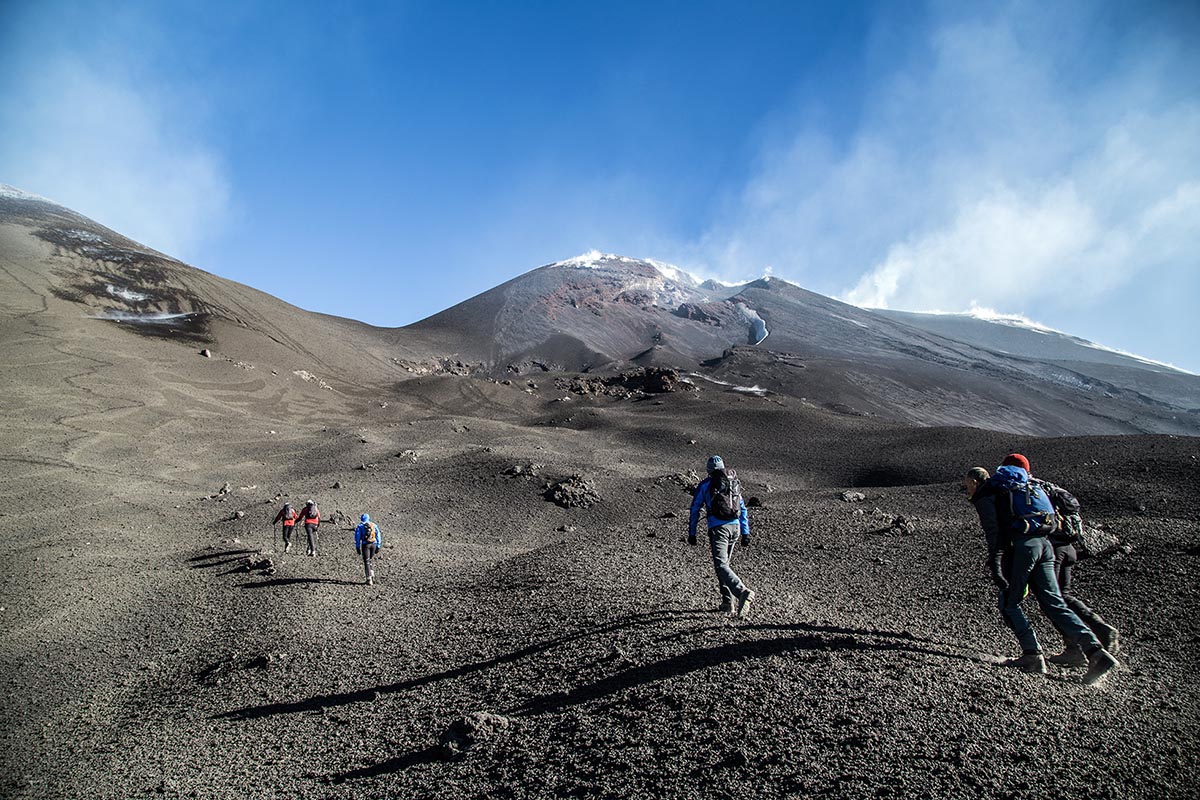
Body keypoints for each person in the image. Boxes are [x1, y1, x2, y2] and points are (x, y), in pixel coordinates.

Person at [964, 464, 1118, 686]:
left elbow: (994, 533)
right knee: (1055, 603)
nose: (966, 490)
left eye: (966, 485)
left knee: (1009, 602)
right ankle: (1096, 653)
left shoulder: (986, 496)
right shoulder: (1018, 489)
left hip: (1024, 548)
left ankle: (1032, 656)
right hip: (1046, 545)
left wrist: (996, 564)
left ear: (975, 482)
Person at [1000, 453, 1119, 666]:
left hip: (1049, 548)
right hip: (1068, 547)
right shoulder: (1046, 487)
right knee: (1063, 597)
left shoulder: (1022, 488)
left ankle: (1079, 647)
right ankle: (1095, 633)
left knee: (1051, 601)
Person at [688, 455, 756, 617]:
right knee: (724, 565)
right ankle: (727, 603)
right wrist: (745, 533)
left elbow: (695, 508)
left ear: (709, 470)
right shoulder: (734, 484)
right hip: (735, 527)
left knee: (721, 565)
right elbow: (743, 508)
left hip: (719, 528)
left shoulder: (706, 485)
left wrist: (692, 532)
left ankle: (741, 592)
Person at [355, 513, 381, 585]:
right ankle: (372, 574)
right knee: (370, 559)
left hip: (365, 545)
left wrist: (357, 546)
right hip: (374, 544)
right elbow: (378, 534)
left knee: (366, 561)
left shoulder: (360, 526)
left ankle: (369, 579)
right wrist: (378, 545)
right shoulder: (373, 525)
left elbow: (357, 537)